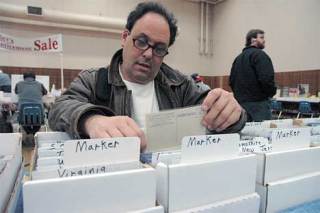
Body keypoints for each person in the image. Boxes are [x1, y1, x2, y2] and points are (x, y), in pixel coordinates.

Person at [49, 2, 246, 151]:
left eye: (160, 48)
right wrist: (92, 120)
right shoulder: (93, 80)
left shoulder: (180, 84)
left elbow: (216, 106)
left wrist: (232, 111)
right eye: (141, 41)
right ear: (125, 37)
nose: (148, 54)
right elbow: (60, 108)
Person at [229, 29, 276, 122]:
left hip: (240, 105)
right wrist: (271, 93)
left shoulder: (237, 59)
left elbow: (231, 81)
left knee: (245, 134)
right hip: (259, 105)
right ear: (253, 40)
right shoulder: (260, 55)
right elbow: (266, 79)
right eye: (261, 37)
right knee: (263, 134)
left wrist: (240, 96)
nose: (264, 40)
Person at [15, 72, 47, 137]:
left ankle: (28, 132)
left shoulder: (18, 84)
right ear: (34, 78)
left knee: (24, 119)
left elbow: (16, 92)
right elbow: (45, 92)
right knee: (38, 120)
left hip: (23, 116)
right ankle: (34, 132)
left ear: (24, 78)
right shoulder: (40, 84)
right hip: (39, 116)